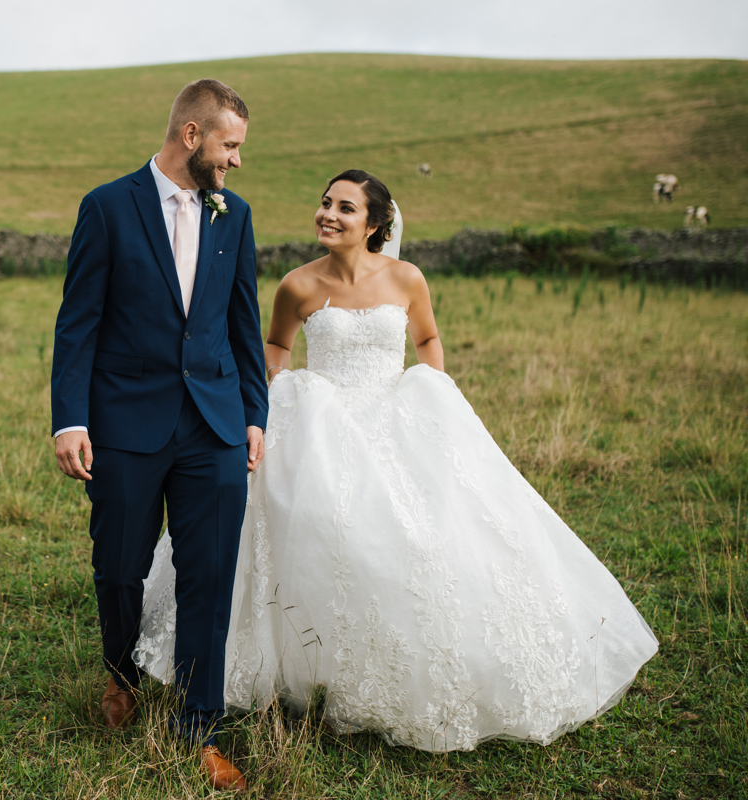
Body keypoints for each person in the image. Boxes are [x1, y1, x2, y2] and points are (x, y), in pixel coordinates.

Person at [135, 169, 658, 752]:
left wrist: (431, 391)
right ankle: (304, 664)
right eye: (325, 202)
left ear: (376, 223)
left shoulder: (407, 278)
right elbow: (277, 346)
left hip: (395, 412)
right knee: (316, 528)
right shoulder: (299, 285)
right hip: (320, 416)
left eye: (346, 208)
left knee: (424, 537)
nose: (328, 214)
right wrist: (274, 390)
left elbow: (428, 339)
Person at [50, 79, 268, 789]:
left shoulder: (234, 218)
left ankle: (200, 727)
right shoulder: (108, 208)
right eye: (230, 145)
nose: (237, 161)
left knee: (209, 577)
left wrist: (255, 416)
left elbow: (243, 325)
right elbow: (77, 321)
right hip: (125, 423)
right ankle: (120, 673)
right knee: (118, 567)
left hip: (214, 426)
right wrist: (71, 419)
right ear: (192, 137)